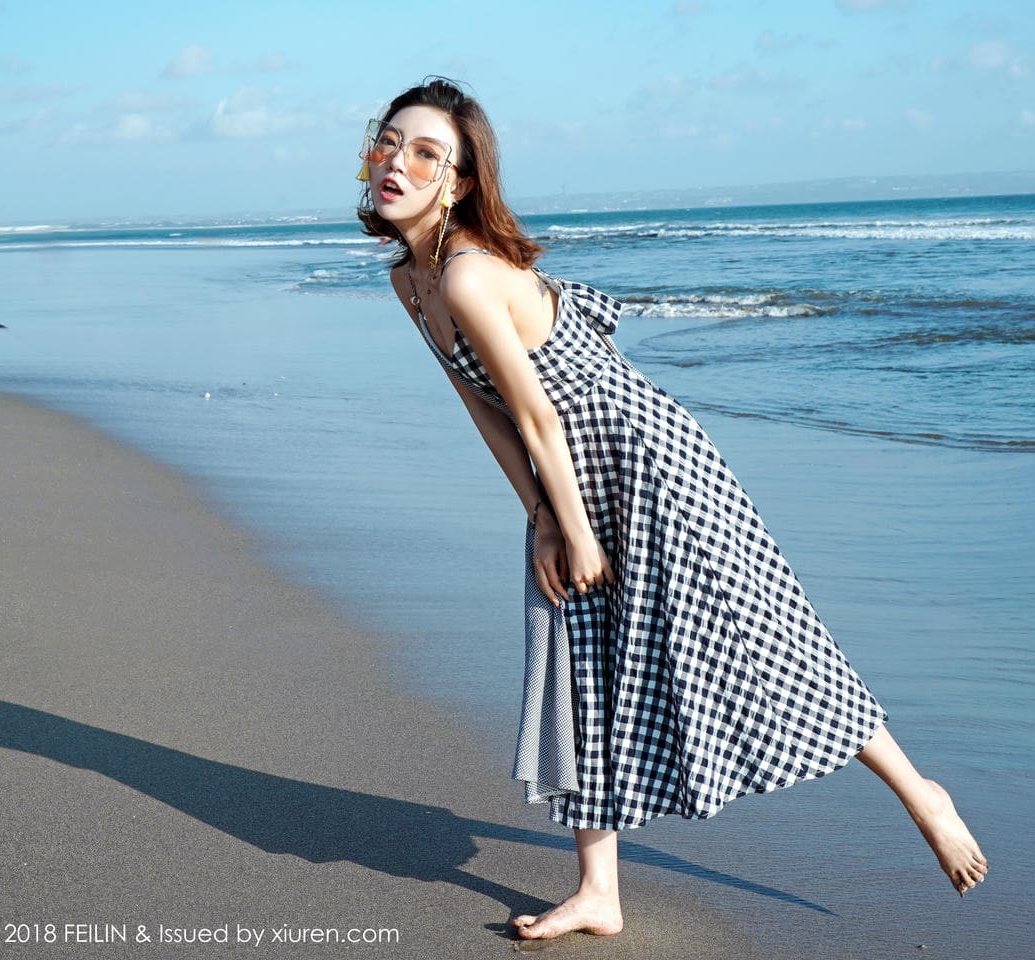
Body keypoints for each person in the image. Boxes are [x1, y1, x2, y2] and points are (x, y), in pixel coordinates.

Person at [355, 76, 988, 941]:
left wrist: (569, 525)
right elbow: (483, 407)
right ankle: (599, 891)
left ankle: (921, 793)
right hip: (568, 477)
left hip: (645, 461)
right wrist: (543, 518)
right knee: (581, 660)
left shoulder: (466, 274)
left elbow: (538, 414)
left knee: (761, 632)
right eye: (389, 143)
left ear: (460, 182)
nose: (399, 162)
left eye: (427, 152)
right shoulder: (410, 279)